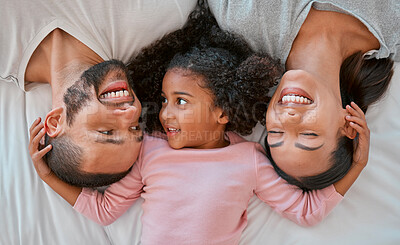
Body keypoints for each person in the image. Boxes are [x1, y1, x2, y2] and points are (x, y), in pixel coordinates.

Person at [29, 12, 370, 244]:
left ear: (222, 113)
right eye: (163, 102)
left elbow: (306, 211)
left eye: (180, 102)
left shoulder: (248, 158)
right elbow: (103, 210)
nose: (164, 116)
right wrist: (49, 176)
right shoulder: (148, 150)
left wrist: (356, 165)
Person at [1, 0, 198, 187]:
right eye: (135, 127)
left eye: (106, 131)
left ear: (55, 121)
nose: (131, 112)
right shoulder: (162, 17)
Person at [208, 0, 398, 190]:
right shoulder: (394, 29)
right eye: (308, 134)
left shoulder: (242, 22)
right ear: (348, 125)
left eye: (276, 132)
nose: (288, 118)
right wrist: (358, 165)